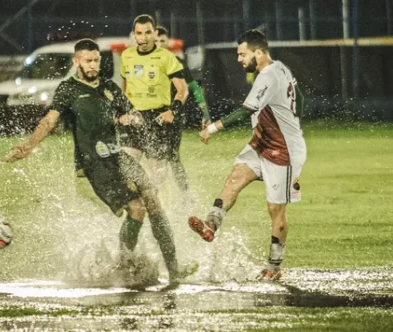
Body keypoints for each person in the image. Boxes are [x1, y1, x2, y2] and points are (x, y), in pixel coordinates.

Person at [4, 38, 195, 286]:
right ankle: (125, 266)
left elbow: (129, 111)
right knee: (137, 210)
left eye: (96, 60)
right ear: (77, 62)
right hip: (93, 163)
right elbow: (49, 121)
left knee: (153, 199)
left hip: (117, 155)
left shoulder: (109, 87)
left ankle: (174, 269)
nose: (93, 65)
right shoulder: (68, 89)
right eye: (87, 60)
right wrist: (28, 146)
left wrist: (129, 118)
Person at [187, 29, 307, 281]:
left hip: (283, 151)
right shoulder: (280, 68)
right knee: (235, 178)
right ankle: (210, 224)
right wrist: (295, 119)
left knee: (275, 209)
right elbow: (301, 97)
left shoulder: (267, 76)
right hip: (261, 142)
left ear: (259, 53)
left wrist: (211, 128)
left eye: (243, 54)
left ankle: (274, 268)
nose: (239, 60)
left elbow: (244, 112)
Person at [119, 14, 189, 186]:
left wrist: (173, 111)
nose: (143, 38)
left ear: (155, 33)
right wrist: (122, 111)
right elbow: (125, 86)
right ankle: (136, 208)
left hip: (157, 118)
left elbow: (183, 89)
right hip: (134, 118)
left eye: (148, 32)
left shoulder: (166, 57)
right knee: (126, 169)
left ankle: (157, 207)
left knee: (157, 176)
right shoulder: (126, 56)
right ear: (134, 34)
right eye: (139, 33)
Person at [155, 26, 211, 197]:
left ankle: (185, 194)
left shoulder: (177, 62)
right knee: (152, 155)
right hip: (151, 114)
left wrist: (206, 115)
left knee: (171, 155)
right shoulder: (144, 63)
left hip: (174, 115)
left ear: (168, 43)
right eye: (156, 41)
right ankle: (153, 194)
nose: (159, 44)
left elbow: (194, 88)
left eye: (162, 41)